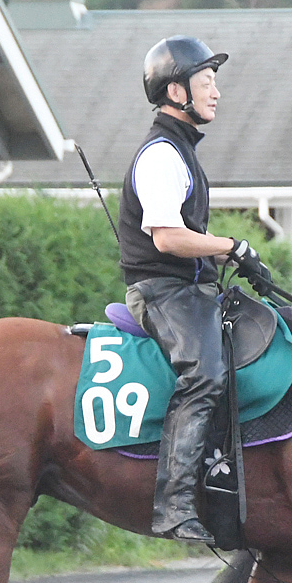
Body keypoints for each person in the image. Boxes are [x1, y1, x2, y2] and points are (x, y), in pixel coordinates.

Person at [118, 35, 271, 546]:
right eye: (207, 81)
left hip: (187, 288)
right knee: (204, 374)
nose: (216, 92)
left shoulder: (181, 150)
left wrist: (238, 258)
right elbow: (166, 236)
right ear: (176, 90)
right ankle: (175, 506)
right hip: (161, 290)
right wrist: (232, 246)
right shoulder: (162, 154)